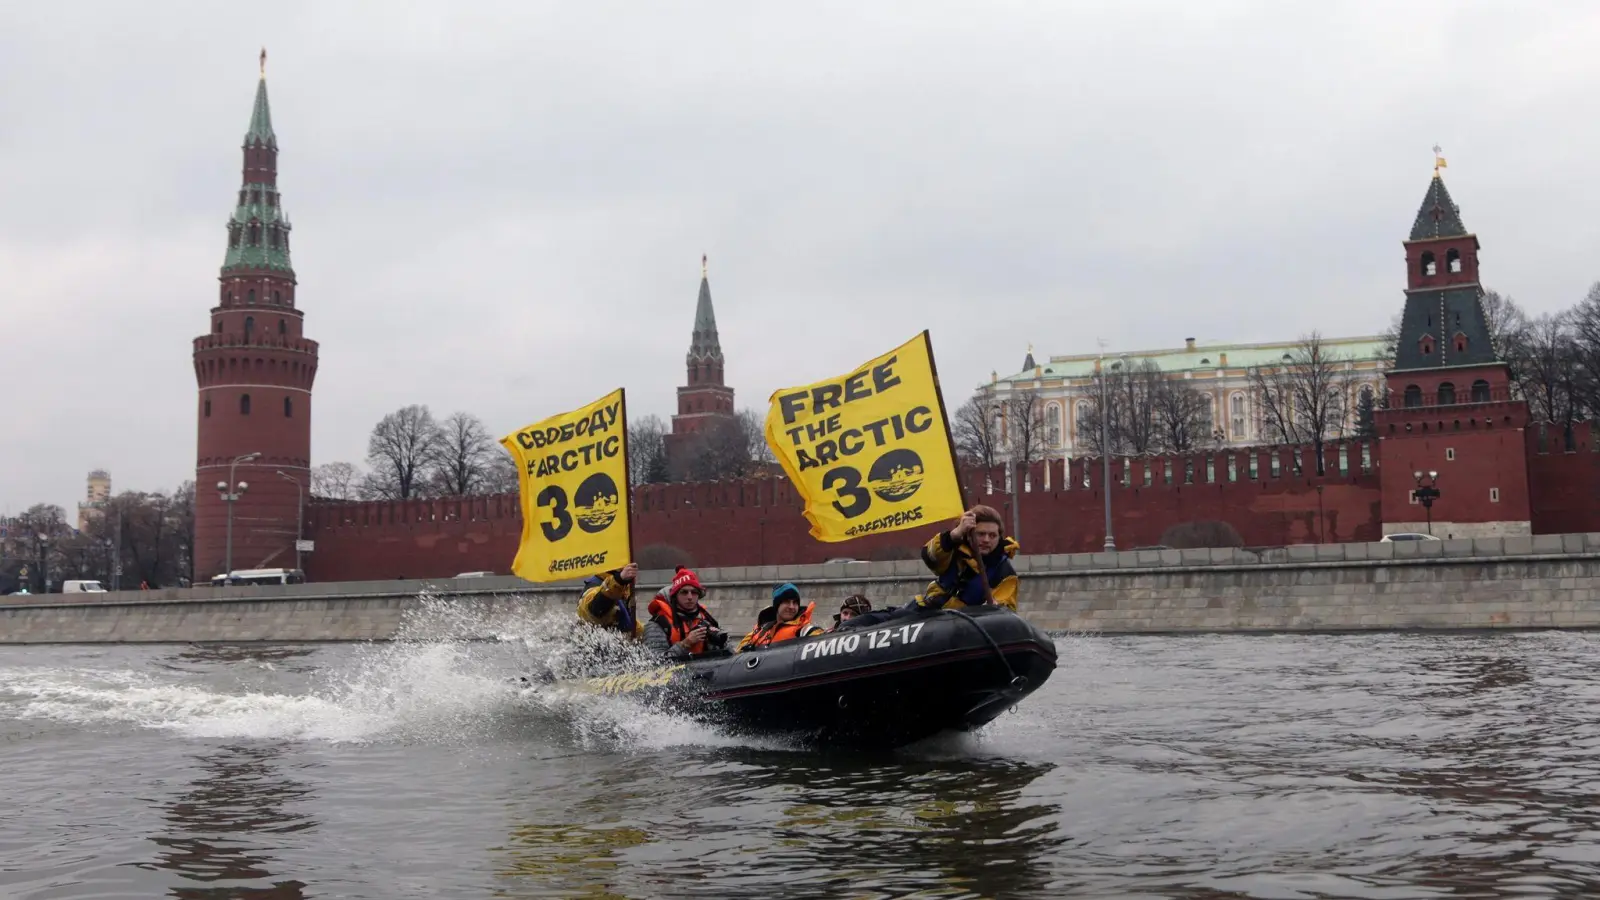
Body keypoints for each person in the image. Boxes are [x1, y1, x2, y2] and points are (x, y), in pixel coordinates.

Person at [914, 505, 1019, 611]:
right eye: (981, 534)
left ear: (999, 537)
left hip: (968, 621)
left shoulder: (1004, 572)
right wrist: (952, 537)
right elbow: (930, 557)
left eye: (992, 535)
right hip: (932, 612)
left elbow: (1006, 610)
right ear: (968, 534)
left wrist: (996, 608)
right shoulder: (952, 549)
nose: (986, 540)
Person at [645, 566, 728, 659]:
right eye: (684, 592)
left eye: (694, 592)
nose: (689, 597)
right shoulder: (658, 624)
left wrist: (718, 643)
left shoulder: (707, 619)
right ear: (675, 596)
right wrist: (685, 644)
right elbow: (653, 662)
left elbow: (728, 654)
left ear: (699, 595)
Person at [739, 583, 826, 651]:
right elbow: (738, 652)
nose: (791, 606)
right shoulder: (760, 631)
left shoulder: (804, 630)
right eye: (787, 602)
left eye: (795, 602)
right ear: (777, 605)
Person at [575, 562, 644, 639]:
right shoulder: (595, 584)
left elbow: (629, 623)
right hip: (594, 647)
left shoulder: (625, 589)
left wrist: (646, 635)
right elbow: (595, 609)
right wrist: (619, 580)